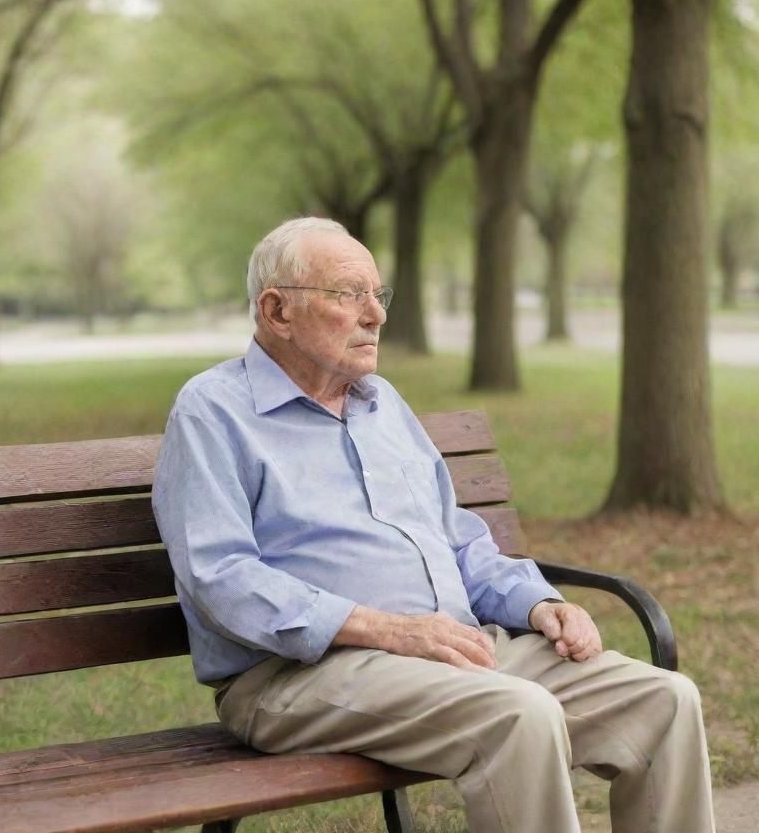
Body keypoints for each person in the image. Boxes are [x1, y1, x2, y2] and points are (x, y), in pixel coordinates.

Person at [152, 216, 714, 833]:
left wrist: (535, 604)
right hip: (296, 676)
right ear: (276, 311)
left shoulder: (381, 404)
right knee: (519, 714)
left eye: (378, 293)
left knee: (664, 701)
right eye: (348, 295)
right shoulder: (213, 411)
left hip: (451, 651)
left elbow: (457, 538)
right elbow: (221, 577)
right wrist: (384, 629)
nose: (376, 315)